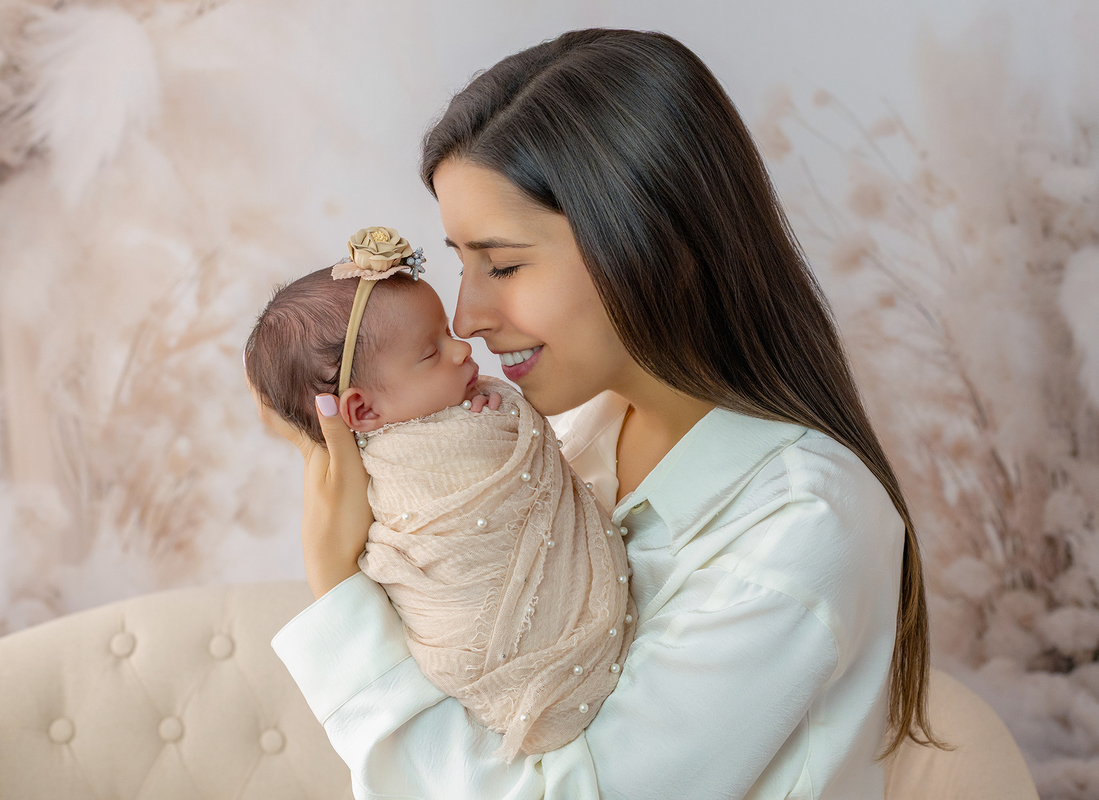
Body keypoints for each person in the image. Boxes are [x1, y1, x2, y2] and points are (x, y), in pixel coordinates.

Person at [262, 28, 941, 800]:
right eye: (461, 262)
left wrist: (337, 587)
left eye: (503, 265)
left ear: (654, 247)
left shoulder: (803, 524)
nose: (467, 317)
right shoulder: (563, 436)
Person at [244, 234, 635, 762]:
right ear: (361, 412)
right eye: (432, 352)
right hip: (474, 658)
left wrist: (491, 408)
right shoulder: (391, 471)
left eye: (447, 335)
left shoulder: (465, 415)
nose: (462, 348)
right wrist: (499, 408)